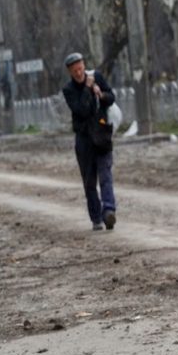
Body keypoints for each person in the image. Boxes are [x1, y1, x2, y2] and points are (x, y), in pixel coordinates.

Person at [62, 52, 117, 231]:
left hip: (101, 134)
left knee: (106, 175)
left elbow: (111, 97)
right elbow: (81, 110)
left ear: (84, 65)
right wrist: (87, 89)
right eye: (74, 71)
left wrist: (101, 95)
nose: (79, 73)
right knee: (89, 181)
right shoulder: (68, 90)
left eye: (80, 68)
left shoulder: (97, 77)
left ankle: (108, 211)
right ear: (70, 72)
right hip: (84, 140)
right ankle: (96, 218)